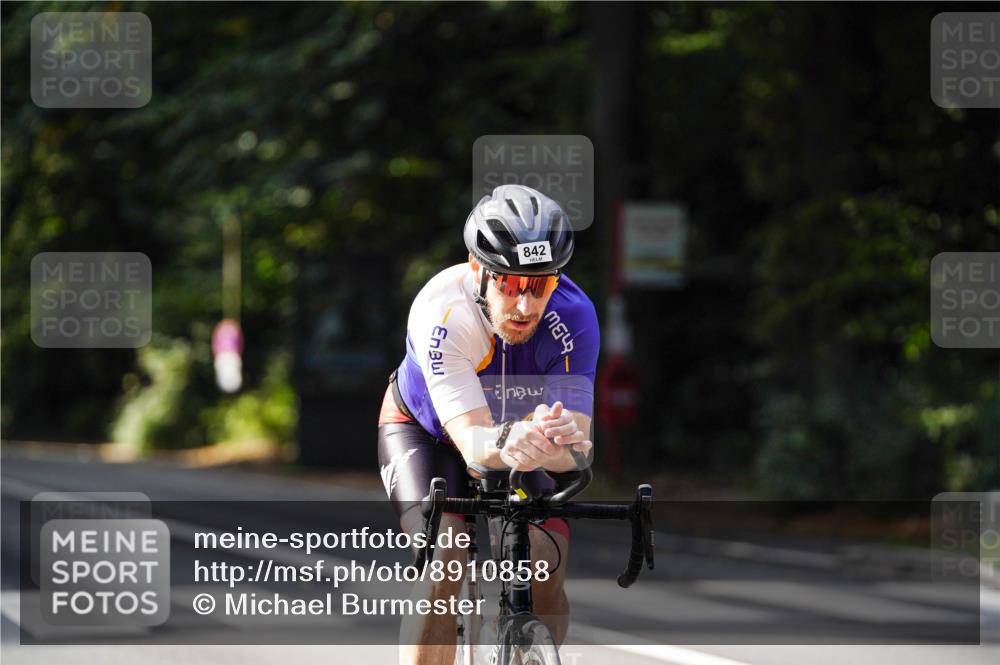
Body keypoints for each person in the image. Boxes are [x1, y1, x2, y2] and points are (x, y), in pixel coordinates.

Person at [377, 184, 599, 665]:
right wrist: (519, 439)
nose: (525, 306)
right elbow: (475, 444)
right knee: (444, 560)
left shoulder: (575, 317)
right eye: (511, 284)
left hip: (519, 439)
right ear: (478, 270)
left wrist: (559, 441)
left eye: (540, 285)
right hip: (429, 432)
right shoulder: (442, 312)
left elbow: (579, 450)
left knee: (543, 562)